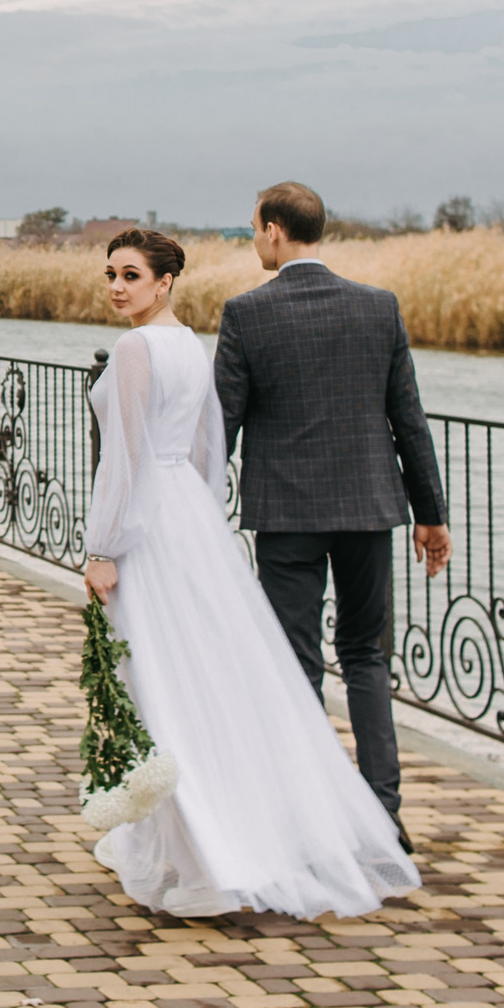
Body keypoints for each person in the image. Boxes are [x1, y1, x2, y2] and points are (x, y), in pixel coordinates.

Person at [80, 227, 418, 919]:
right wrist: (201, 522)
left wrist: (103, 544)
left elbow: (125, 458)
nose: (117, 286)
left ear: (165, 280)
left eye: (131, 275)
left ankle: (201, 846)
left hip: (149, 517)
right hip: (189, 517)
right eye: (111, 274)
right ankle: (188, 830)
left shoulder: (137, 347)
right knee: (199, 674)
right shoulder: (188, 344)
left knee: (159, 678)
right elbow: (207, 448)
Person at [214, 181, 451, 847]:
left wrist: (197, 511)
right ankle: (382, 812)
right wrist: (430, 514)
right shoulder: (378, 308)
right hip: (370, 508)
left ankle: (312, 811)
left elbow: (221, 427)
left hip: (287, 512)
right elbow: (409, 421)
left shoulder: (246, 314)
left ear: (274, 231)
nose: (256, 237)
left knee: (298, 664)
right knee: (366, 657)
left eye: (255, 227)